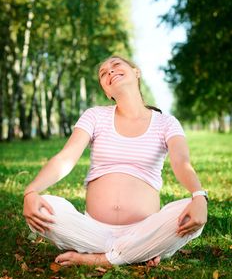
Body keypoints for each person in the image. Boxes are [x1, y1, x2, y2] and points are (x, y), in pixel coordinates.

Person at [23, 55, 208, 267]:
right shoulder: (95, 116)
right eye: (103, 73)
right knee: (43, 208)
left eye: (116, 65)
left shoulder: (166, 123)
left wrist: (199, 196)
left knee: (191, 215)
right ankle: (136, 253)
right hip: (93, 232)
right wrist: (31, 191)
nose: (110, 71)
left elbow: (181, 162)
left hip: (143, 229)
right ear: (106, 91)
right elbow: (66, 157)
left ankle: (100, 258)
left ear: (136, 72)